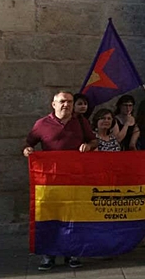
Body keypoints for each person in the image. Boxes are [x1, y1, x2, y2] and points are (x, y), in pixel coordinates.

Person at [23, 91, 98, 271]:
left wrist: (88, 146)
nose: (66, 105)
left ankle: (73, 253)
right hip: (50, 180)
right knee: (50, 215)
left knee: (74, 216)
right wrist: (27, 150)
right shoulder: (42, 124)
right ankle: (48, 254)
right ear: (53, 104)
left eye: (70, 102)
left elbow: (94, 141)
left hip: (75, 179)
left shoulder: (81, 122)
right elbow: (28, 143)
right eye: (62, 101)